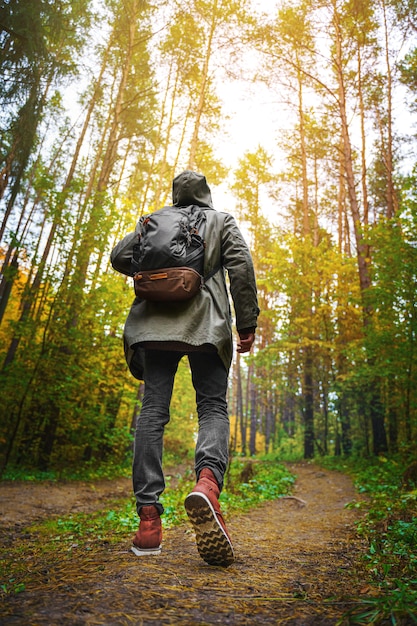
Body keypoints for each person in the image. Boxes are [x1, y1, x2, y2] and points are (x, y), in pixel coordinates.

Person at [111, 170, 259, 567]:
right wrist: (247, 323)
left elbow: (119, 257)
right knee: (211, 407)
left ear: (176, 194)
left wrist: (158, 271)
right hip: (206, 325)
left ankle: (147, 521)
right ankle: (207, 484)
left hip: (153, 325)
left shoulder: (153, 221)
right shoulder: (220, 220)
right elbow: (241, 266)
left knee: (152, 413)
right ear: (206, 193)